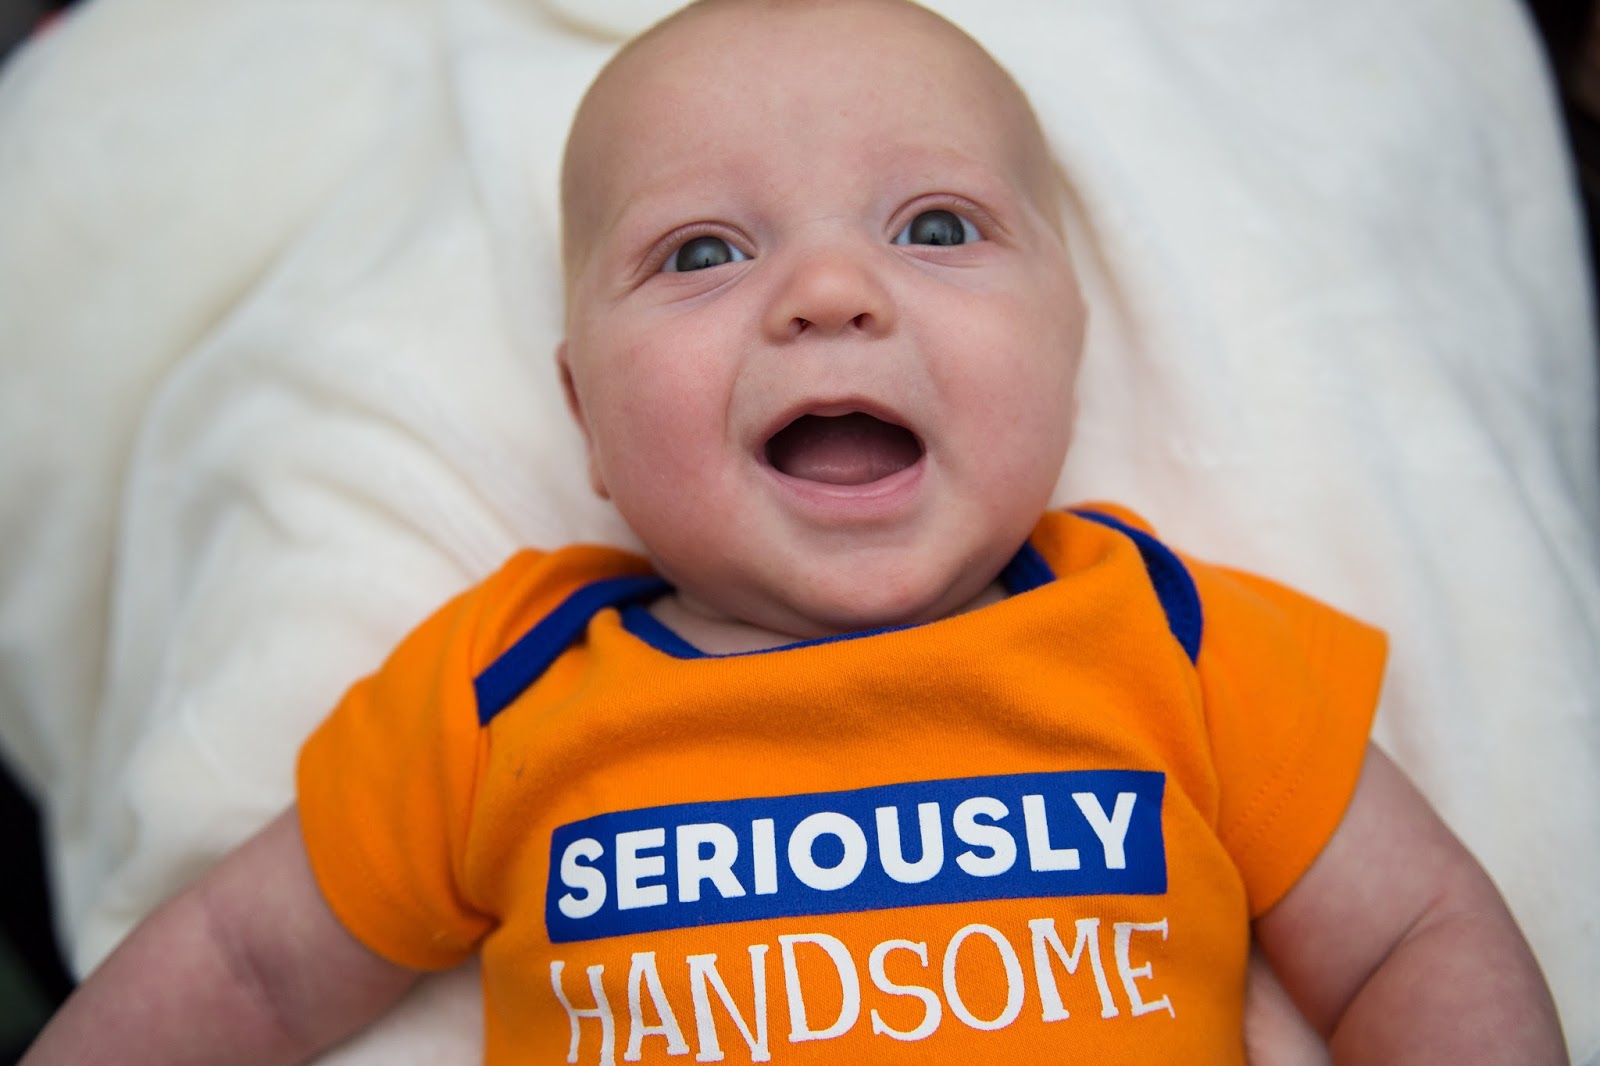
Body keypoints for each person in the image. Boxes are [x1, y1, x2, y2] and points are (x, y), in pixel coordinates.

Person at [20, 0, 1569, 1062]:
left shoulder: (1165, 633)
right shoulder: (507, 688)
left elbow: (1413, 931)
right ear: (587, 416)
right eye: (703, 252)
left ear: (1071, 350)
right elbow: (242, 965)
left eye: (936, 227)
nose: (831, 292)